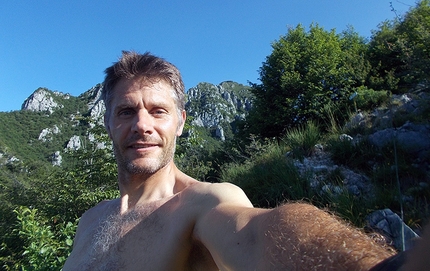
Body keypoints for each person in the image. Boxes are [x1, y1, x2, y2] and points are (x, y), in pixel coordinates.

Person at [63, 51, 398, 271]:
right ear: (107, 122)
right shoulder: (89, 222)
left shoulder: (203, 203)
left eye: (158, 111)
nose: (142, 125)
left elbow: (258, 234)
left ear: (179, 122)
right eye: (125, 111)